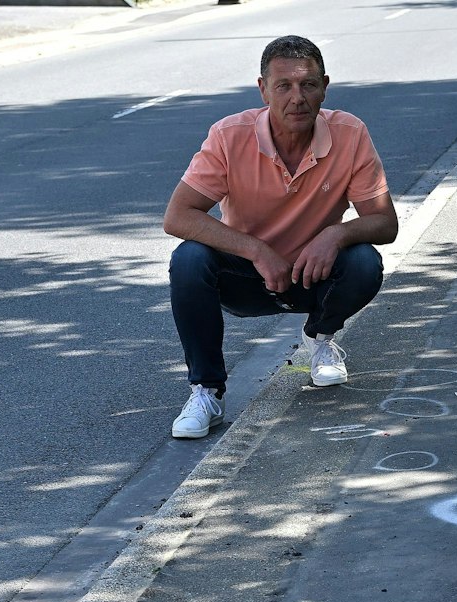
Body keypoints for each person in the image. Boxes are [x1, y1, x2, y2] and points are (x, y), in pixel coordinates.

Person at [161, 35, 399, 439]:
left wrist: (336, 234)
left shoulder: (350, 133)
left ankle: (319, 337)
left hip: (314, 275)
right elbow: (178, 215)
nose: (297, 97)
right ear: (263, 89)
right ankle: (207, 392)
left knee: (364, 260)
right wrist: (257, 250)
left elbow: (384, 223)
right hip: (247, 278)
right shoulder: (229, 136)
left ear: (325, 86)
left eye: (308, 85)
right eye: (284, 86)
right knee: (188, 259)